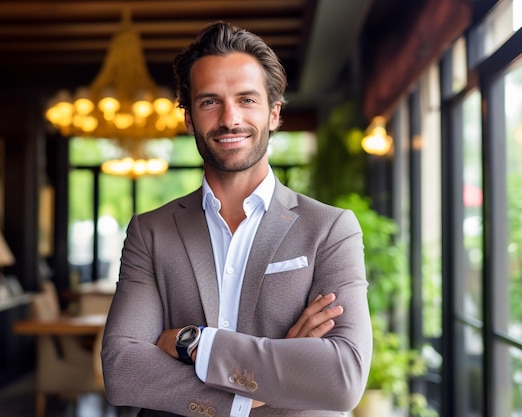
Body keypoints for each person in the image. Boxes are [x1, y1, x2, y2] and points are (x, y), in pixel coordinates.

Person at [101, 21, 372, 417]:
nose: (230, 119)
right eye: (210, 101)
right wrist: (271, 379)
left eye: (246, 100)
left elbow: (342, 378)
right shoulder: (151, 231)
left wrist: (193, 344)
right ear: (189, 118)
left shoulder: (330, 229)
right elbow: (122, 369)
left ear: (274, 114)